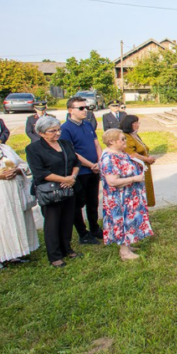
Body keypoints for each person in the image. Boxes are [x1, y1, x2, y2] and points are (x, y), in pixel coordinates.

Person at [25, 116, 82, 267]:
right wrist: (63, 180)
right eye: (52, 131)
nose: (57, 133)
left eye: (58, 130)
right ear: (41, 133)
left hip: (69, 188)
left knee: (67, 220)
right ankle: (55, 255)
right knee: (52, 223)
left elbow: (76, 162)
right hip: (50, 191)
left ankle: (67, 249)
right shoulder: (33, 148)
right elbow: (40, 172)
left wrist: (72, 177)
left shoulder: (65, 144)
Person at [99, 129, 153, 261]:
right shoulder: (109, 157)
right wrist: (134, 179)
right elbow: (112, 181)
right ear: (111, 141)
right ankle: (125, 252)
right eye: (122, 139)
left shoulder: (119, 153)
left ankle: (127, 245)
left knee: (129, 222)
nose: (125, 141)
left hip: (129, 196)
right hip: (120, 198)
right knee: (123, 222)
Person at [61, 97, 103, 245]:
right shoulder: (65, 128)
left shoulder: (88, 125)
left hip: (94, 170)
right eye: (81, 108)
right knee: (78, 204)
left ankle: (94, 228)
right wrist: (91, 164)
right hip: (80, 172)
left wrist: (99, 161)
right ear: (70, 110)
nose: (85, 110)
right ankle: (83, 233)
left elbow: (96, 144)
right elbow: (73, 152)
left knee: (93, 201)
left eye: (86, 108)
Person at [0, 140, 39, 270]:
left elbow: (23, 164)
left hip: (12, 191)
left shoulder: (5, 148)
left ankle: (14, 254)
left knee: (13, 219)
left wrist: (17, 170)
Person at [121, 115, 156, 206]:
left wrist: (148, 157)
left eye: (138, 123)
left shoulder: (134, 135)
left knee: (147, 189)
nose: (138, 125)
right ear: (129, 124)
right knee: (139, 192)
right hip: (136, 167)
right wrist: (146, 159)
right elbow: (131, 153)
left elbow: (142, 148)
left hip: (144, 166)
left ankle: (145, 211)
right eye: (135, 123)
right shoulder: (126, 137)